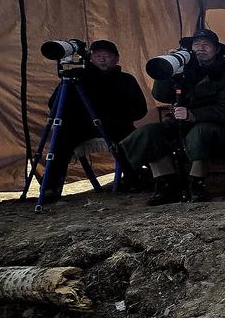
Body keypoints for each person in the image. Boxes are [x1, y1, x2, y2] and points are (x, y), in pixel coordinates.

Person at [121, 26, 225, 205]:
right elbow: (161, 95)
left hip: (218, 128)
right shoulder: (185, 70)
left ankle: (196, 184)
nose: (200, 48)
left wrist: (194, 115)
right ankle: (166, 183)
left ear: (216, 50)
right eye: (196, 44)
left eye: (206, 44)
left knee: (200, 133)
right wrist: (168, 71)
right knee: (149, 133)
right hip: (181, 123)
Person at [42, 39, 148, 200]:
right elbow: (55, 105)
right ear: (91, 57)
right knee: (61, 138)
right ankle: (51, 188)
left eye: (107, 55)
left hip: (116, 125)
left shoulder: (126, 80)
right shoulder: (79, 78)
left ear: (116, 59)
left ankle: (134, 179)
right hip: (82, 126)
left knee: (132, 139)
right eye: (98, 55)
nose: (103, 59)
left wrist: (115, 115)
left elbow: (140, 110)